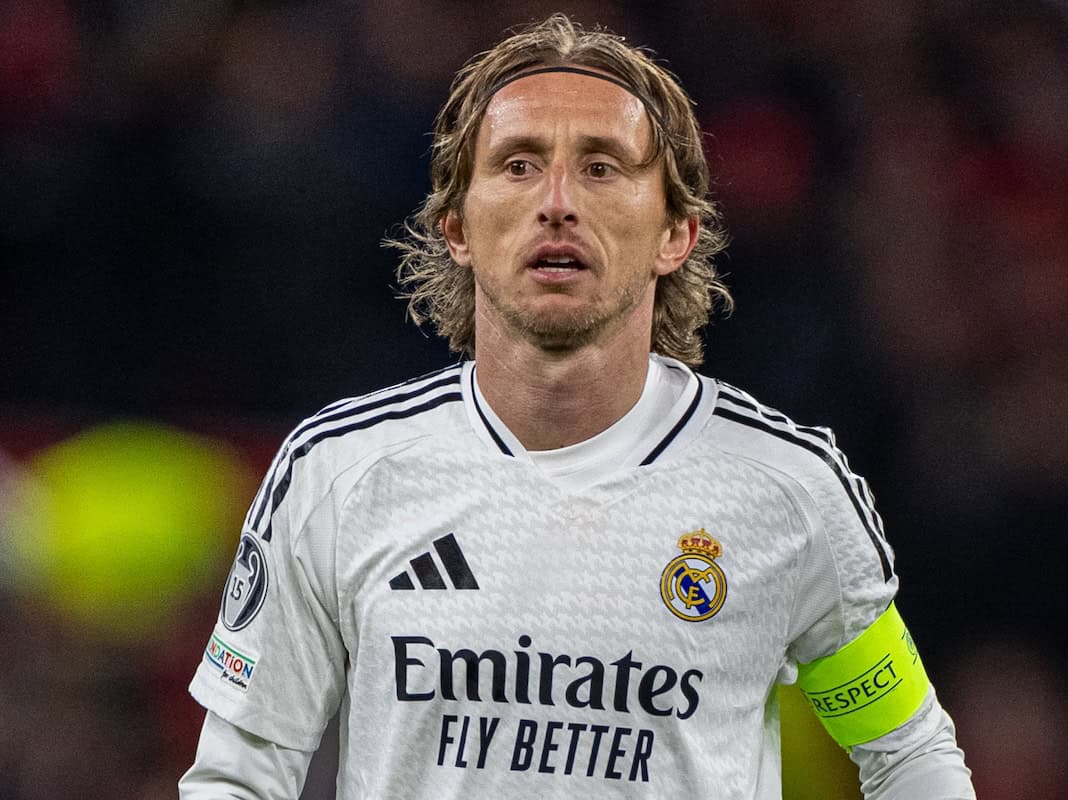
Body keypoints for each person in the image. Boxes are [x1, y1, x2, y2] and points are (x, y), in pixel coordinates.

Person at [180, 13, 975, 799]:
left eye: (602, 168)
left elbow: (907, 752)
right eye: (519, 165)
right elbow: (240, 775)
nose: (557, 201)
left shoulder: (786, 490)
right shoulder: (341, 476)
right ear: (456, 225)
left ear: (676, 234)